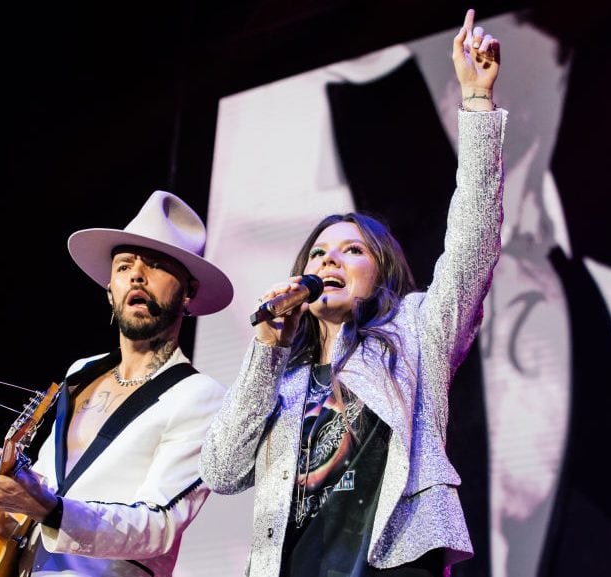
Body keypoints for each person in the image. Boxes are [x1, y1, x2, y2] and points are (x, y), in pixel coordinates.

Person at [199, 9, 507, 577]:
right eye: (318, 253)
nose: (329, 260)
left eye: (352, 251)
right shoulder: (284, 379)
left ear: (381, 273)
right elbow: (221, 471)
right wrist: (265, 348)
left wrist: (478, 105)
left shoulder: (417, 331)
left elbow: (473, 243)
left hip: (393, 563)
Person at [0, 189, 234, 577]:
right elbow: (53, 483)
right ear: (110, 288)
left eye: (157, 265)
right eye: (125, 265)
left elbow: (159, 526)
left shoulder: (202, 398)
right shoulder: (83, 372)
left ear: (189, 292)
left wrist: (48, 508)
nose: (137, 276)